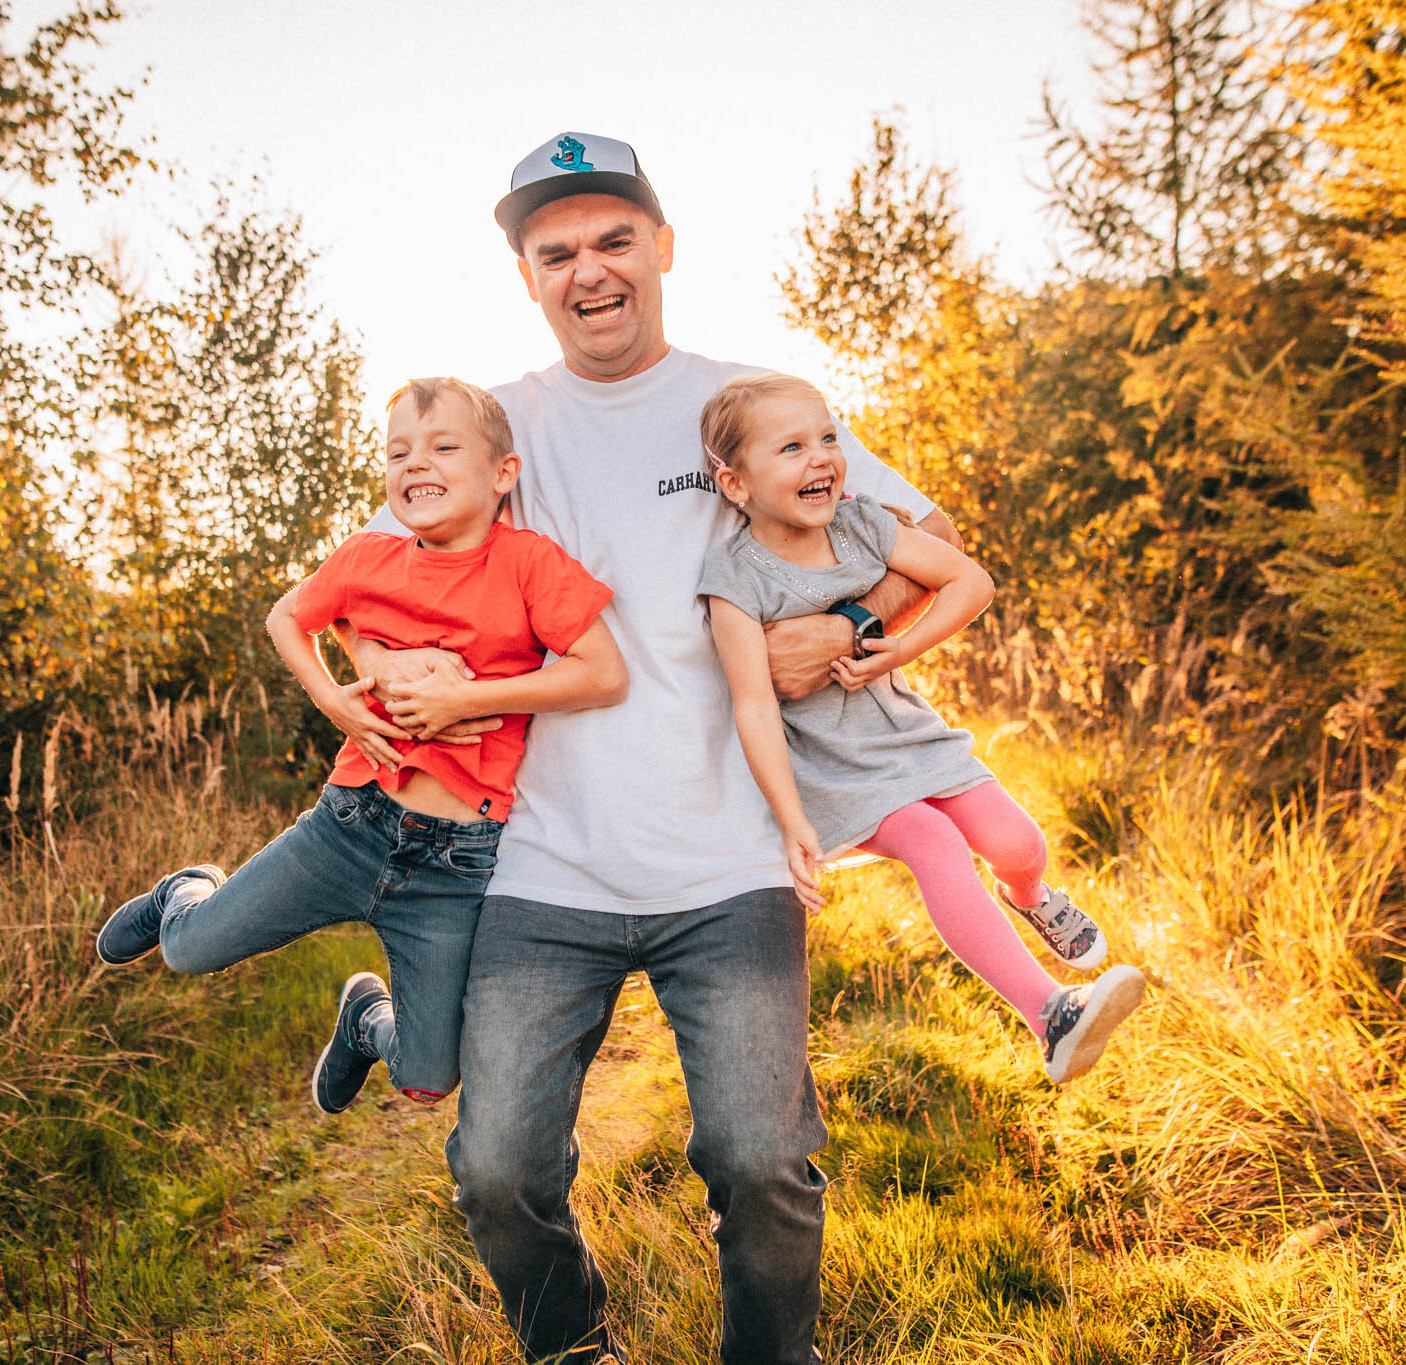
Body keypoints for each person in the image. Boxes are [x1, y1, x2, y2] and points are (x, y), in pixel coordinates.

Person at [343, 132, 956, 1365]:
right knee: (497, 1169)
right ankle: (574, 1349)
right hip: (538, 871)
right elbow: (365, 592)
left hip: (730, 863)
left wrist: (846, 627)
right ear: (526, 276)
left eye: (613, 240)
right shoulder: (492, 429)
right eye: (555, 252)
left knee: (760, 1159)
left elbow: (928, 541)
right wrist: (406, 686)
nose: (589, 271)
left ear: (662, 247)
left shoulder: (746, 407)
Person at [93, 376, 626, 1116]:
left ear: (503, 473)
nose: (417, 464)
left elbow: (604, 673)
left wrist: (469, 700)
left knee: (429, 1077)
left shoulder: (529, 564)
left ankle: (364, 1020)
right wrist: (333, 700)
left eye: (444, 447)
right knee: (186, 949)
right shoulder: (366, 558)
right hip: (349, 826)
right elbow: (287, 617)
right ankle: (180, 890)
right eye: (398, 452)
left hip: (453, 863)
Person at [696, 372, 1145, 1085]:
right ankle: (1051, 1016)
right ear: (735, 483)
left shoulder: (861, 524)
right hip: (831, 764)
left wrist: (901, 647)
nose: (821, 457)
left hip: (906, 730)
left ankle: (1029, 896)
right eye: (792, 448)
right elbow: (752, 705)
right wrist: (791, 821)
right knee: (933, 839)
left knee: (1017, 843)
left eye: (828, 439)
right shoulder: (734, 577)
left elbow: (971, 580)